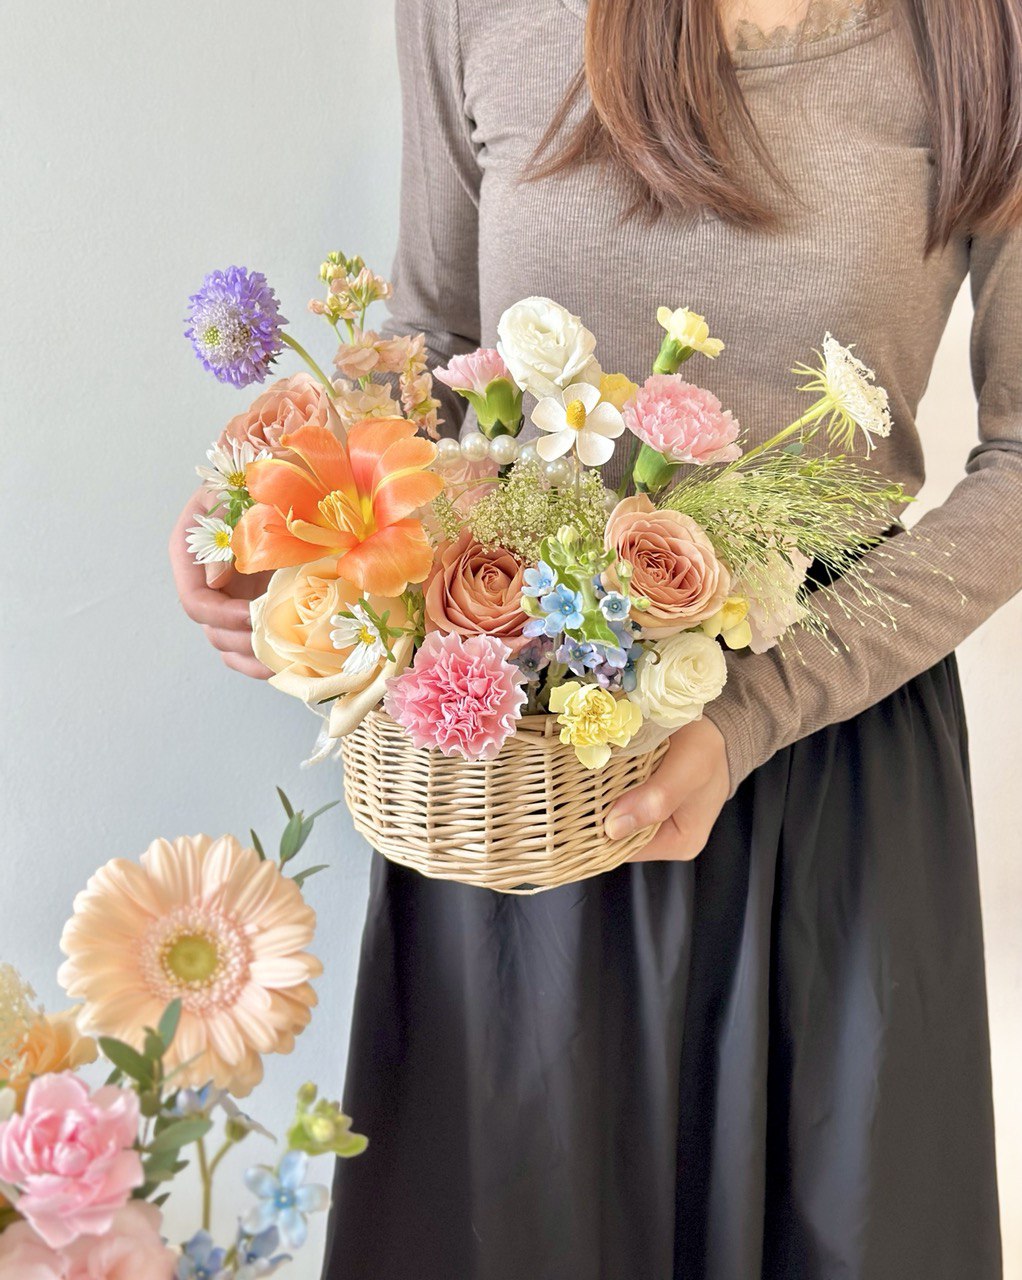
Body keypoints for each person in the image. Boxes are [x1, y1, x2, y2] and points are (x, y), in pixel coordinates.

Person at [170, 0, 1020, 1274]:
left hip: (831, 779)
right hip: (527, 760)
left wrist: (749, 711)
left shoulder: (987, 32)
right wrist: (278, 489)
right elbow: (438, 333)